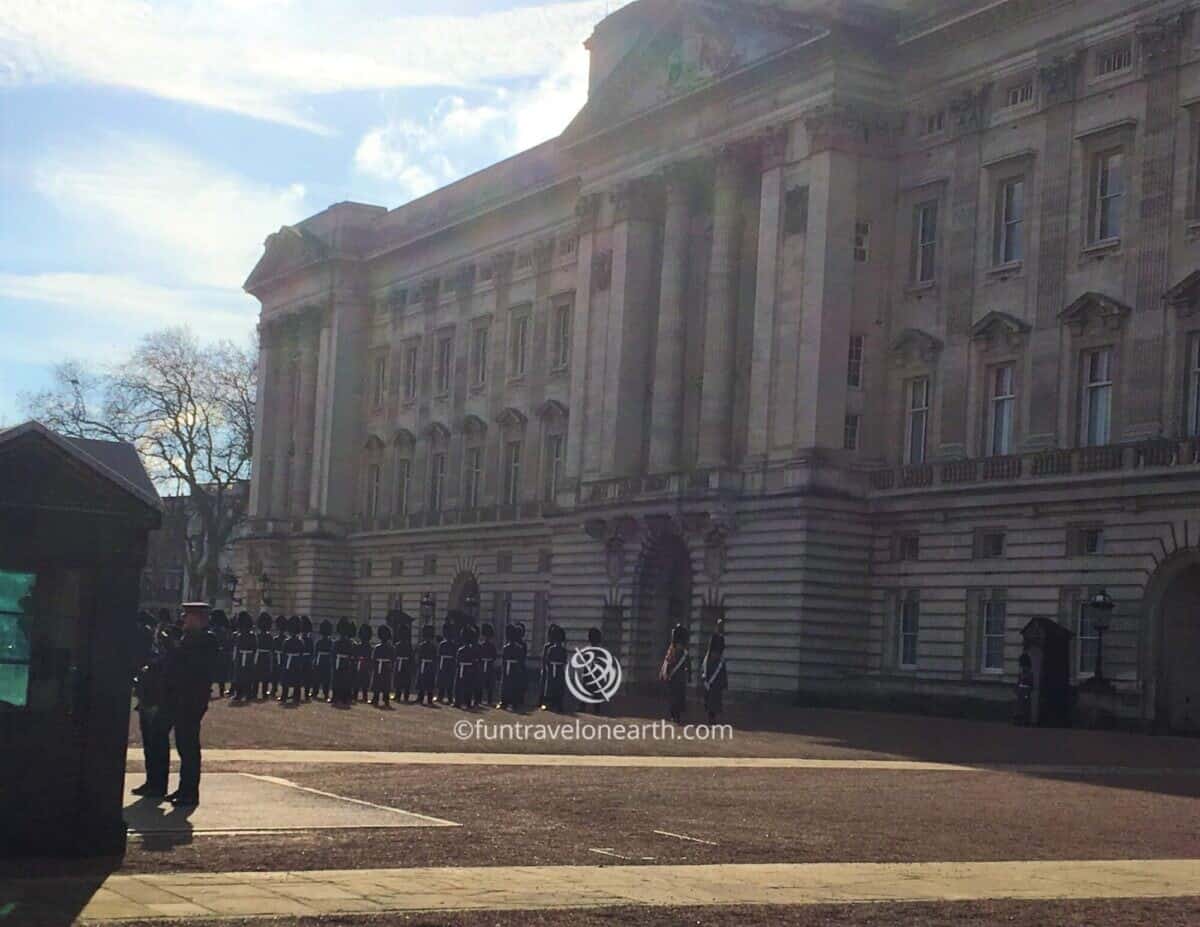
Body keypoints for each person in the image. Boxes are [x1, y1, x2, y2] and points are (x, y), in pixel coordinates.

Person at [164, 602, 218, 807]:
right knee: (182, 745)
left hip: (193, 698)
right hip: (183, 695)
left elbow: (194, 666)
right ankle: (184, 788)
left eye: (187, 616)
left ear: (196, 618)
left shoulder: (207, 639)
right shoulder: (190, 637)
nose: (183, 619)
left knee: (189, 746)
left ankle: (190, 792)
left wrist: (176, 647)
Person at [131, 614, 173, 798]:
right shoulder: (153, 648)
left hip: (158, 698)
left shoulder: (165, 651)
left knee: (157, 743)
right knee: (150, 744)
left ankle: (158, 784)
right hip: (148, 696)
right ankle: (152, 782)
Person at [660, 624, 691, 724]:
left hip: (679, 679)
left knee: (679, 698)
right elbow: (667, 664)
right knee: (673, 698)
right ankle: (674, 715)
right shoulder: (671, 652)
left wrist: (689, 675)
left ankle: (676, 716)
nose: (680, 646)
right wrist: (665, 674)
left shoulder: (683, 653)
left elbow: (688, 665)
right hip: (673, 679)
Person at [699, 619, 727, 724]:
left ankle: (712, 718)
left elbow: (723, 672)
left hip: (715, 684)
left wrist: (723, 683)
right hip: (712, 683)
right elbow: (704, 669)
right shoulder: (709, 658)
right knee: (710, 700)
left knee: (714, 701)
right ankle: (711, 717)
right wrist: (704, 678)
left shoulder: (719, 660)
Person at [540, 624, 567, 712]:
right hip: (553, 669)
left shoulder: (561, 649)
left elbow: (564, 660)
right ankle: (548, 703)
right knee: (550, 687)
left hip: (557, 669)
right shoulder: (551, 648)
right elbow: (547, 660)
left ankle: (558, 704)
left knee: (558, 687)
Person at [279, 615, 306, 704]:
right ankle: (296, 697)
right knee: (296, 680)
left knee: (286, 680)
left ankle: (284, 696)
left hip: (288, 661)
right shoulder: (301, 641)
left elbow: (283, 653)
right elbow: (302, 653)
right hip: (296, 662)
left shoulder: (287, 641)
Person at [231, 611, 257, 702]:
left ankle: (241, 694)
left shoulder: (238, 635)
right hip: (246, 657)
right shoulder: (251, 635)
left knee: (242, 676)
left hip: (243, 656)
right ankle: (245, 694)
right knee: (244, 676)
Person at [331, 619, 357, 706]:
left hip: (339, 663)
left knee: (338, 681)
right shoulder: (350, 643)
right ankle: (345, 698)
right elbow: (352, 654)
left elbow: (333, 654)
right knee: (345, 681)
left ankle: (336, 698)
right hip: (346, 663)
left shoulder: (336, 642)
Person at [499, 623, 524, 710]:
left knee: (508, 686)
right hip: (514, 668)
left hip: (509, 668)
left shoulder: (506, 647)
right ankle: (512, 703)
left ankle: (505, 702)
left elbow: (504, 660)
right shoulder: (519, 648)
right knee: (512, 686)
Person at [454, 624, 479, 708]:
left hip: (462, 669)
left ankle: (458, 702)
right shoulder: (473, 649)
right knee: (468, 686)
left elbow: (457, 661)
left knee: (459, 686)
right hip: (470, 670)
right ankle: (467, 702)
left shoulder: (461, 650)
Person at [209, 609, 231, 699]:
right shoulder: (226, 629)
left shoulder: (213, 629)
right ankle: (222, 691)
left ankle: (209, 690)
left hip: (213, 653)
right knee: (221, 674)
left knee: (211, 673)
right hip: (223, 654)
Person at [392, 612, 414, 703]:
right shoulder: (408, 645)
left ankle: (399, 695)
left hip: (402, 663)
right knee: (403, 680)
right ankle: (405, 696)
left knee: (401, 680)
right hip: (405, 663)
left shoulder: (398, 645)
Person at [371, 624, 395, 707]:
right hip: (385, 666)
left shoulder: (377, 647)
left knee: (380, 683)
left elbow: (373, 658)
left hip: (380, 666)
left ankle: (376, 698)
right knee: (385, 684)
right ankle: (385, 699)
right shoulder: (391, 647)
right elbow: (393, 658)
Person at [416, 623, 438, 706]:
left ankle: (423, 698)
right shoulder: (433, 646)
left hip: (426, 665)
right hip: (428, 665)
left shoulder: (423, 645)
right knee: (426, 682)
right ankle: (428, 699)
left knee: (426, 682)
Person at [254, 612, 274, 700]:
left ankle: (254, 692)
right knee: (265, 676)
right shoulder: (270, 636)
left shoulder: (257, 635)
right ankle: (264, 693)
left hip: (258, 656)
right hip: (266, 656)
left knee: (256, 676)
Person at [435, 621, 457, 704]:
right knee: (445, 680)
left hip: (445, 663)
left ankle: (443, 697)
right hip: (446, 663)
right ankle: (448, 697)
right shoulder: (451, 644)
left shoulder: (443, 644)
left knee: (445, 680)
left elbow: (439, 655)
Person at [313, 619, 334, 701]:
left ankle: (316, 692)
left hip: (320, 660)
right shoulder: (331, 642)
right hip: (327, 661)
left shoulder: (319, 642)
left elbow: (315, 652)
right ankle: (325, 694)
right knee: (326, 678)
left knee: (318, 678)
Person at [477, 623, 497, 707]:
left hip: (486, 665)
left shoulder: (482, 645)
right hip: (487, 665)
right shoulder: (491, 646)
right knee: (485, 683)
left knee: (487, 683)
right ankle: (488, 700)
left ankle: (482, 699)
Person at [269, 614, 288, 699]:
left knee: (277, 675)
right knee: (276, 675)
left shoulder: (276, 639)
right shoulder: (284, 638)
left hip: (279, 658)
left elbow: (272, 650)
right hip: (280, 658)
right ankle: (275, 689)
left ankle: (274, 689)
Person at [355, 623, 374, 703]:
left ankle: (355, 696)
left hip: (362, 664)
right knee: (363, 681)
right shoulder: (370, 647)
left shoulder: (358, 646)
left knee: (359, 681)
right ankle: (364, 697)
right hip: (364, 664)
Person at [301, 615, 316, 700]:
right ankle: (306, 694)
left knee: (302, 677)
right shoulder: (310, 640)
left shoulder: (303, 639)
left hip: (301, 659)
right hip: (307, 659)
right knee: (307, 678)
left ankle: (300, 693)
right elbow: (312, 652)